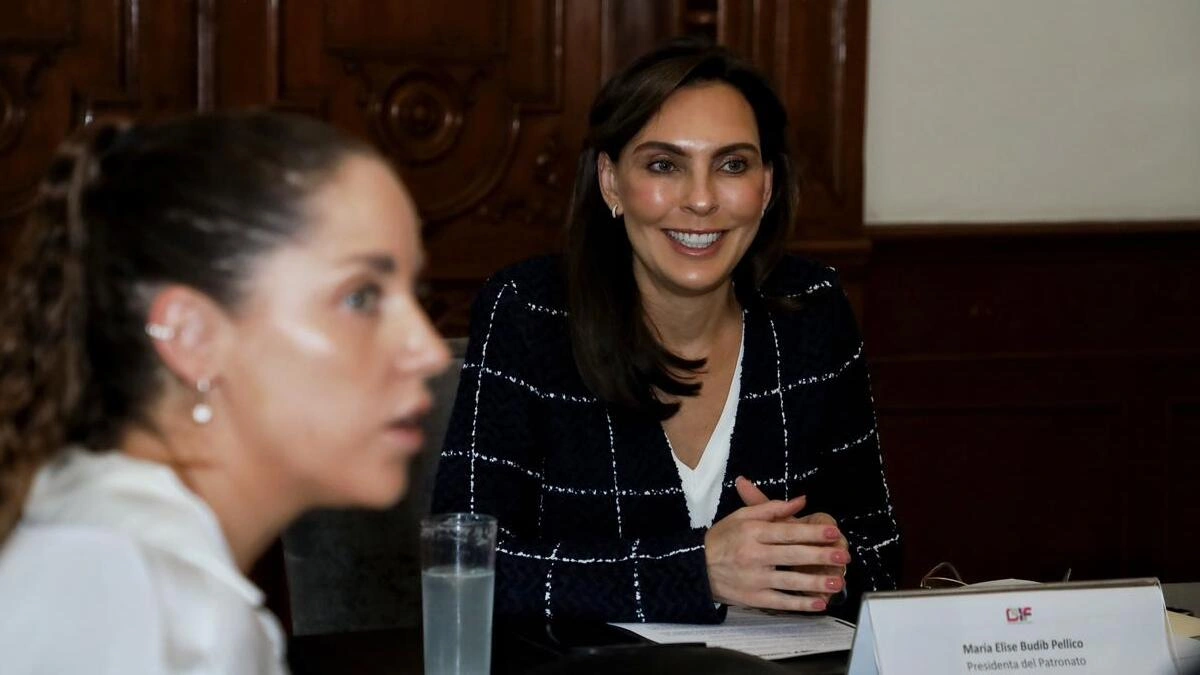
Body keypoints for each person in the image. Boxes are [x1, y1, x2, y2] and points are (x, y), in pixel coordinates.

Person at [432, 39, 901, 624]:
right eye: (664, 165)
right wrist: (696, 569)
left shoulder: (812, 311)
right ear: (610, 181)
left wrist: (828, 560)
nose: (701, 200)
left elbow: (880, 556)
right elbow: (466, 568)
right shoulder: (530, 314)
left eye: (733, 165)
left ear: (768, 187)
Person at [0, 112, 449, 673]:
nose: (429, 350)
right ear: (193, 337)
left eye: (416, 293)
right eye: (362, 297)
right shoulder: (120, 596)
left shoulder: (147, 579)